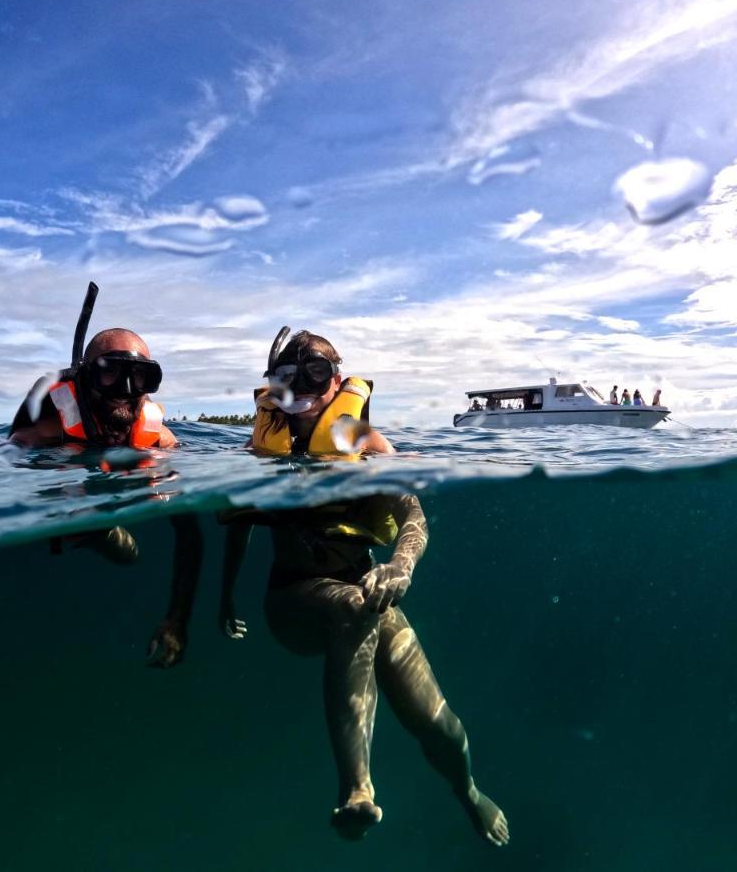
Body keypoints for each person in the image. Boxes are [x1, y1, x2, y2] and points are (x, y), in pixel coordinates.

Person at [152, 329, 508, 847]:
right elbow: (241, 522)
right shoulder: (265, 444)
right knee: (351, 606)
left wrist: (401, 566)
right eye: (288, 378)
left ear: (337, 378)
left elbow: (412, 511)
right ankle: (357, 788)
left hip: (368, 590)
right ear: (274, 386)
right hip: (295, 599)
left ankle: (469, 791)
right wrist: (227, 596)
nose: (304, 389)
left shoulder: (356, 437)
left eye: (317, 373)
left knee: (440, 726)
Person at [0, 283, 198, 702]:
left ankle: (92, 532)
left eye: (139, 377)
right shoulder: (48, 431)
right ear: (86, 376)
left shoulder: (159, 438)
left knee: (130, 554)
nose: (124, 390)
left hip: (97, 513)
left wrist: (178, 619)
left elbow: (190, 530)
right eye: (109, 372)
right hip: (51, 501)